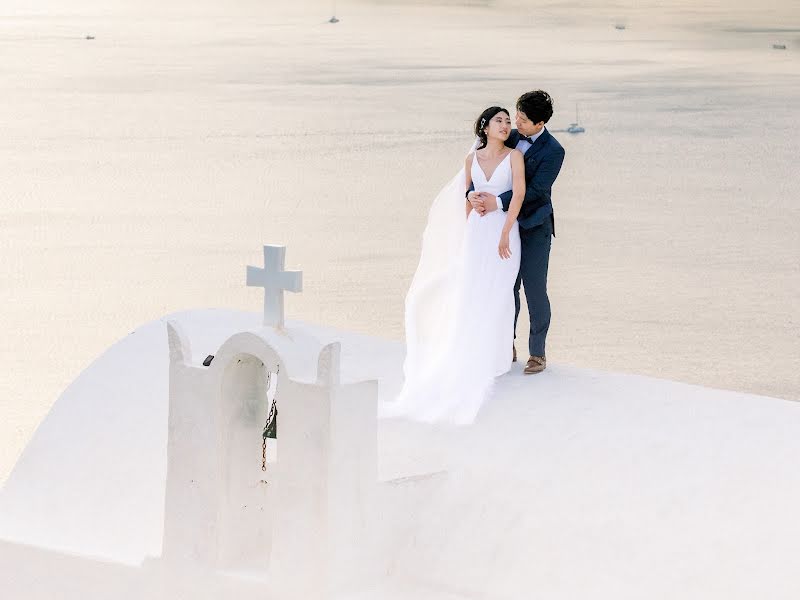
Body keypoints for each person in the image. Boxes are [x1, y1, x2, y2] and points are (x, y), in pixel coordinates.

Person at [388, 106, 525, 425]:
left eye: (508, 121)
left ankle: (498, 357)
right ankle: (470, 354)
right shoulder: (471, 159)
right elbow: (467, 197)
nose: (505, 126)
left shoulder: (514, 157)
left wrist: (505, 232)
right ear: (485, 127)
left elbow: (518, 194)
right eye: (499, 121)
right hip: (477, 233)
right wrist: (467, 236)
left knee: (500, 291)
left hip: (504, 230)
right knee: (472, 291)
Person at [469, 90, 565, 375]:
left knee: (534, 289)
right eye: (516, 116)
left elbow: (536, 191)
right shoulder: (508, 135)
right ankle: (505, 343)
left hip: (534, 226)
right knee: (505, 286)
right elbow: (479, 165)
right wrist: (471, 194)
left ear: (539, 123)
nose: (515, 124)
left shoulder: (554, 151)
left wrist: (497, 202)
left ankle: (537, 352)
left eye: (522, 120)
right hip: (501, 225)